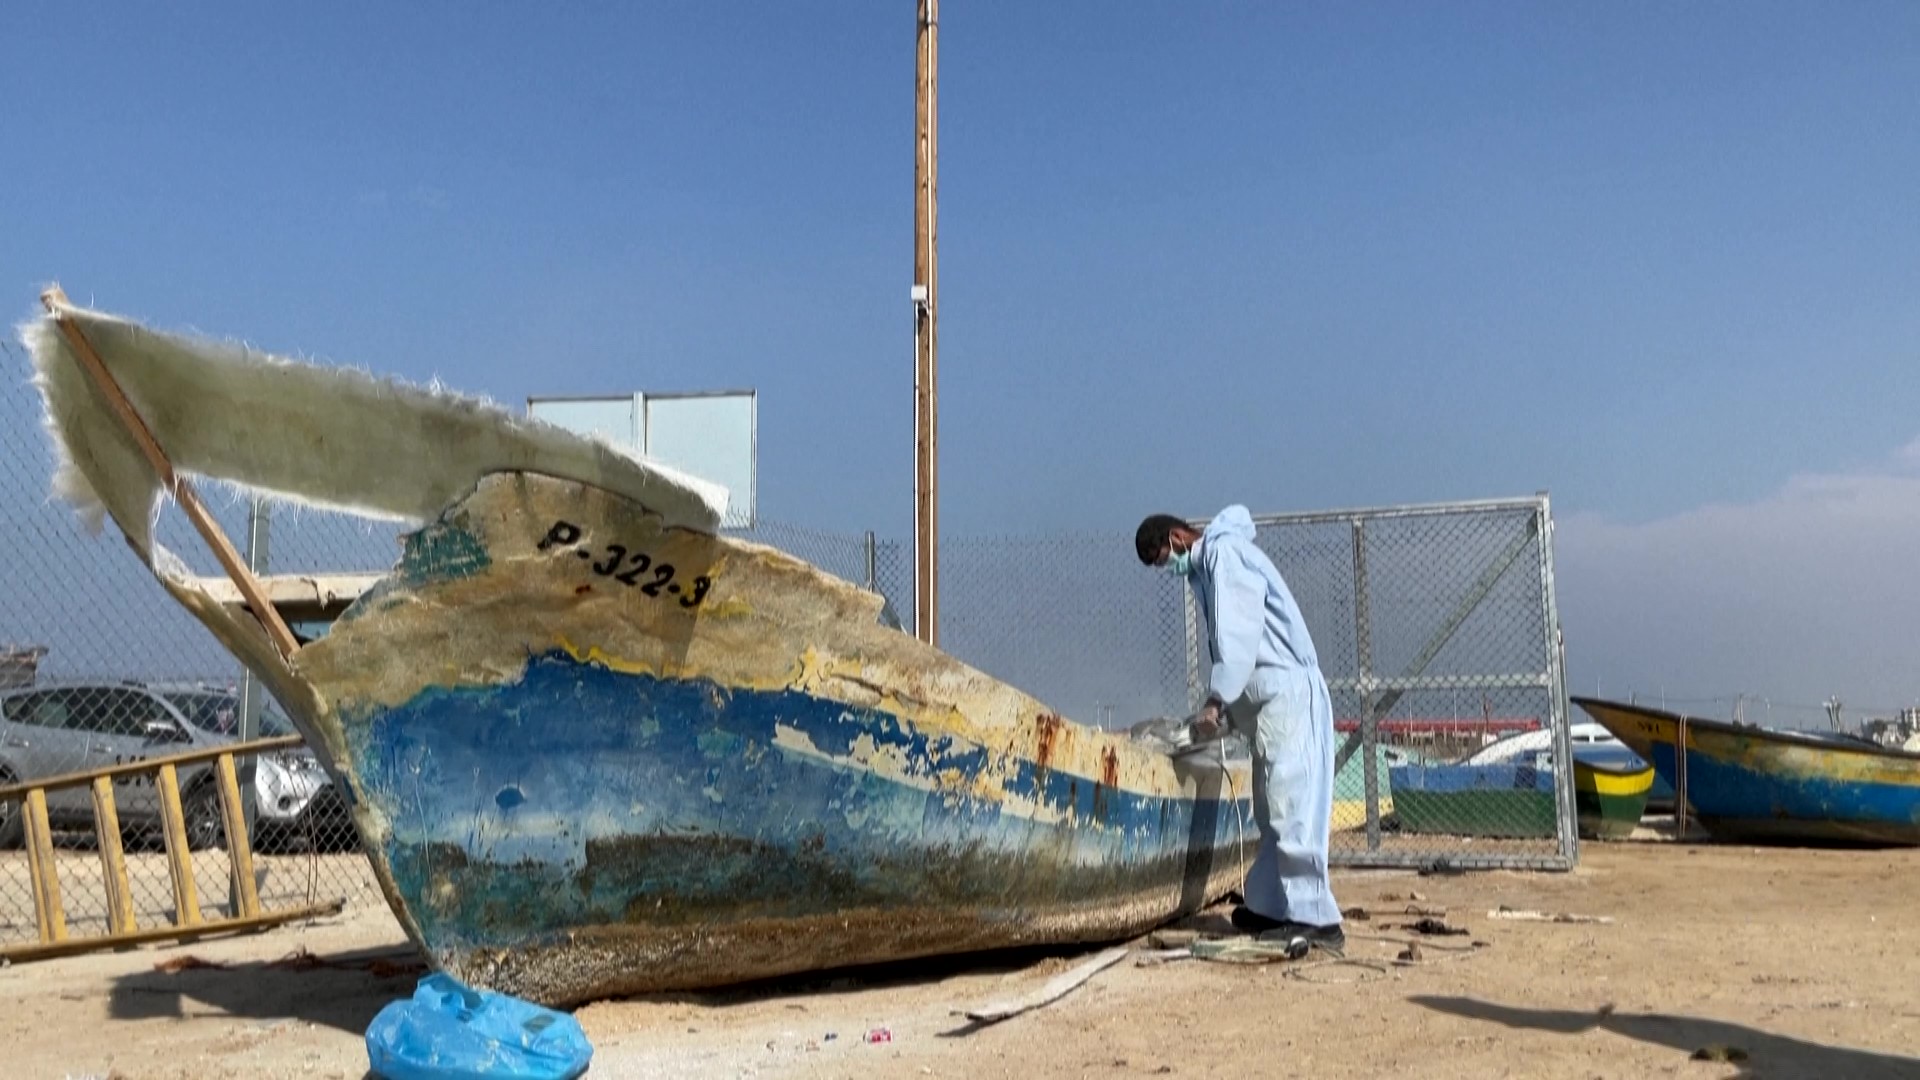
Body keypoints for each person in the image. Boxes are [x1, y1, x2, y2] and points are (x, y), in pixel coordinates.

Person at [1135, 506, 1343, 954]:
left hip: (1288, 696)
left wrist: (1215, 701)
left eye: (1163, 558)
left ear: (1177, 538)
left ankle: (1315, 918)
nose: (1167, 568)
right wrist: (1228, 713)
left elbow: (1239, 635)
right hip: (1269, 702)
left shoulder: (1224, 554)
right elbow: (1247, 652)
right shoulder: (1210, 568)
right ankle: (1271, 906)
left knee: (1293, 805)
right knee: (1271, 809)